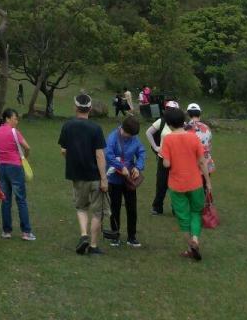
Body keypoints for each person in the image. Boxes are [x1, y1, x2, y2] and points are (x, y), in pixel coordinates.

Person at [58, 92, 109, 256]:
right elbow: (100, 154)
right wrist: (104, 178)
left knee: (81, 207)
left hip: (77, 175)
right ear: (90, 109)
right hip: (94, 175)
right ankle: (93, 245)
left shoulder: (67, 126)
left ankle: (83, 235)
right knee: (97, 211)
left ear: (75, 107)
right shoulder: (96, 128)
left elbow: (63, 150)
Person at [160, 107, 212, 260]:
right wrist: (208, 182)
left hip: (177, 185)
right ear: (183, 121)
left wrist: (164, 157)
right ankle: (195, 239)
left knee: (183, 217)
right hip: (195, 182)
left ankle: (190, 247)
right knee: (196, 212)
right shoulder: (193, 137)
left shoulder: (168, 139)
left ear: (169, 124)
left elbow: (166, 164)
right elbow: (202, 162)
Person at [0, 108, 35, 241]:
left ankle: (6, 231)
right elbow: (27, 147)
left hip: (1, 167)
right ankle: (26, 232)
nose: (16, 121)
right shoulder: (14, 132)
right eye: (15, 118)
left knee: (5, 200)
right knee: (21, 199)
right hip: (15, 167)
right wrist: (25, 158)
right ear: (7, 118)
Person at [105, 115, 146, 248]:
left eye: (132, 135)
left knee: (132, 207)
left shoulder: (134, 138)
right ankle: (115, 236)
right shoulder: (112, 138)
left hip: (129, 179)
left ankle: (132, 236)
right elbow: (108, 155)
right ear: (122, 128)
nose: (129, 137)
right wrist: (120, 167)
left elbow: (141, 152)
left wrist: (138, 167)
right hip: (114, 178)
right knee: (115, 207)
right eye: (128, 134)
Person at [146, 98, 179, 215]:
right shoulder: (162, 121)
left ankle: (176, 208)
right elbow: (148, 132)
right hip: (163, 157)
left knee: (176, 185)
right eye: (169, 109)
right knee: (161, 183)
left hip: (177, 160)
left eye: (173, 110)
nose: (170, 111)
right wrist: (155, 147)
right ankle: (157, 207)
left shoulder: (181, 124)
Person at [184, 103, 215, 180]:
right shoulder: (207, 128)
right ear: (199, 113)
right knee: (205, 188)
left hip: (192, 165)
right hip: (206, 163)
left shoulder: (185, 129)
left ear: (188, 114)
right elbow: (209, 145)